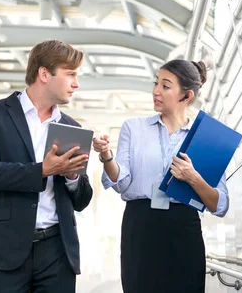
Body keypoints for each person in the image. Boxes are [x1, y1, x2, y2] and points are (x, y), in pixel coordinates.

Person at [92, 59, 230, 293]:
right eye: (156, 83)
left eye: (165, 86)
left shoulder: (209, 138)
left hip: (183, 227)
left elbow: (220, 205)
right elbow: (122, 183)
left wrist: (193, 177)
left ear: (186, 96)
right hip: (140, 226)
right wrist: (106, 155)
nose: (156, 91)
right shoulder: (133, 128)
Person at [0, 40, 94, 293]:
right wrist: (42, 170)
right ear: (44, 73)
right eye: (70, 74)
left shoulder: (73, 128)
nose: (76, 83)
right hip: (5, 251)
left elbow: (81, 200)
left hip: (57, 252)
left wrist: (72, 177)